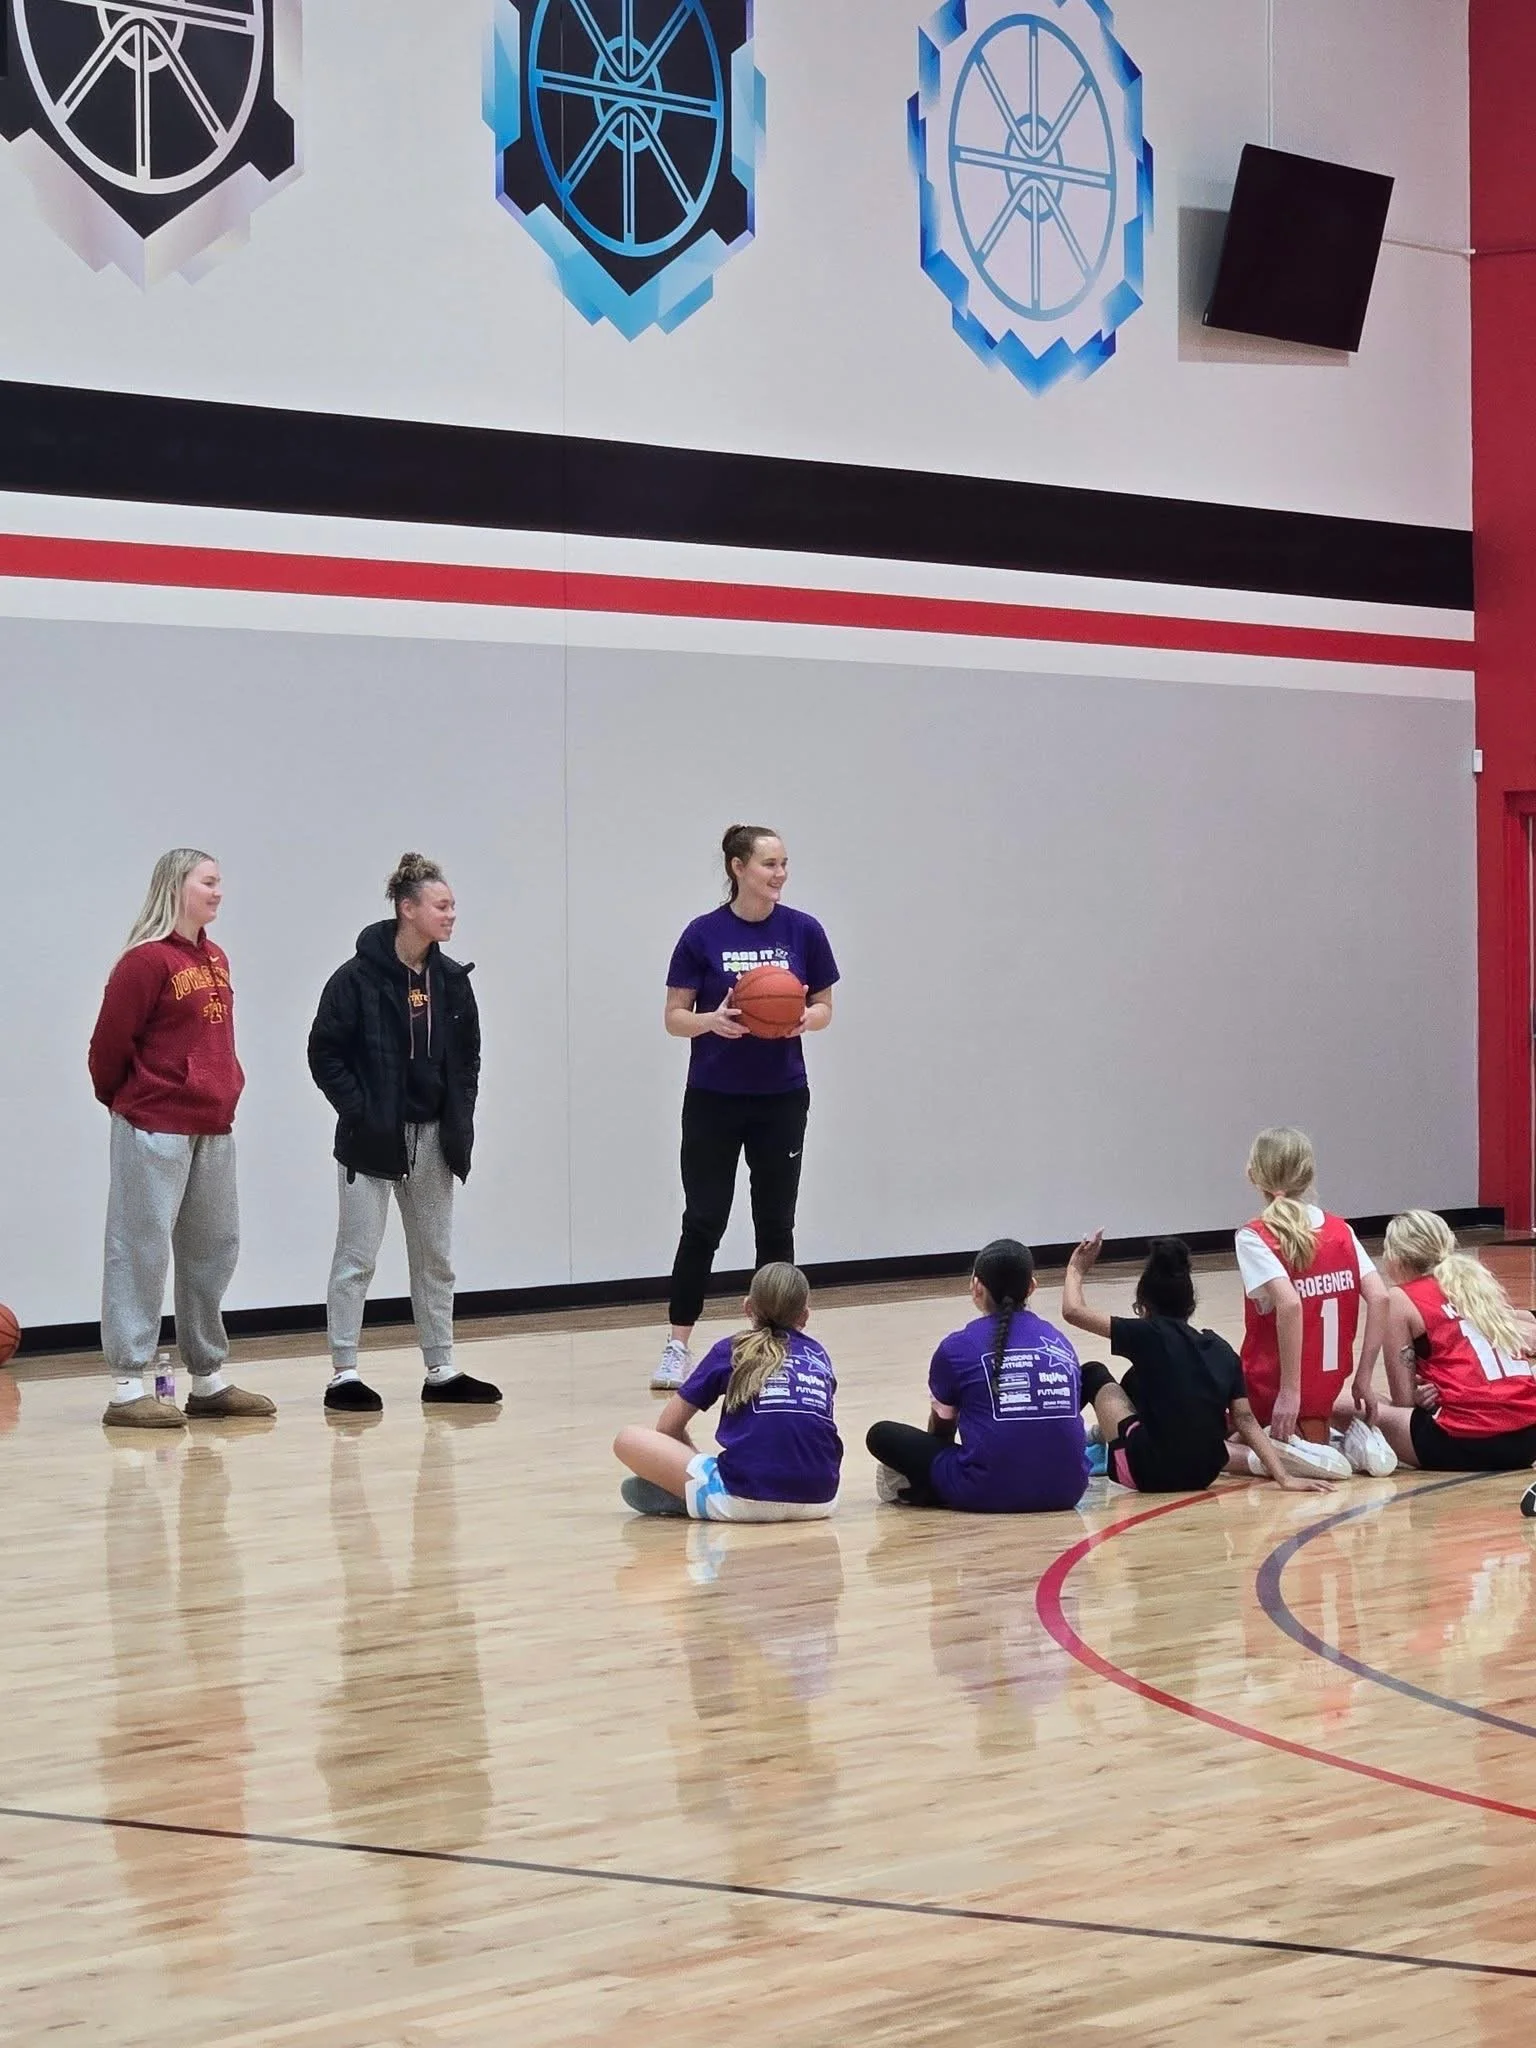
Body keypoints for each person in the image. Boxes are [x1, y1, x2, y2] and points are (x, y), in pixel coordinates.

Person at [307, 853, 499, 1415]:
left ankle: (440, 1367)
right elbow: (324, 1052)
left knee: (435, 1257)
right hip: (373, 1140)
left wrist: (459, 1114)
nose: (451, 915)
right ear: (407, 909)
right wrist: (362, 1111)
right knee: (357, 1259)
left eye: (453, 905)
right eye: (441, 905)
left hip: (435, 1137)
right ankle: (344, 1373)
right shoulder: (356, 978)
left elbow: (468, 1059)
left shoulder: (452, 980)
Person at [89, 848, 274, 1429]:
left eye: (220, 882)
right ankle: (127, 1385)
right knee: (139, 1249)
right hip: (153, 1125)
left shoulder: (215, 957)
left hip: (213, 1126)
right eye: (209, 882)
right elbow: (107, 1050)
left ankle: (208, 1377)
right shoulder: (143, 963)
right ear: (178, 886)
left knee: (213, 1249)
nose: (219, 892)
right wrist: (134, 1103)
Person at [653, 825, 839, 1392]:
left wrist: (805, 1017)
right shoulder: (703, 934)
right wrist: (714, 1020)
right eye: (768, 864)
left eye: (784, 864)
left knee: (775, 1221)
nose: (779, 874)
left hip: (782, 1096)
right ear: (738, 867)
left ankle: (777, 1343)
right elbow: (673, 1017)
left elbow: (825, 1004)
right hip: (713, 1097)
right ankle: (676, 1345)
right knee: (703, 1218)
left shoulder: (803, 930)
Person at [1061, 1233, 1332, 1494]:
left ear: (1144, 1305)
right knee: (1136, 1378)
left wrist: (1076, 1268)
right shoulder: (1222, 1350)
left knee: (1094, 1372)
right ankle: (1097, 1439)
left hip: (1146, 1473)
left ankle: (1061, 1449)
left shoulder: (1147, 1334)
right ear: (1190, 1305)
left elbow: (1073, 1311)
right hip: (1204, 1473)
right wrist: (1283, 1477)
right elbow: (1245, 1419)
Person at [866, 1238, 1089, 1513]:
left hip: (986, 1492)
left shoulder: (956, 1347)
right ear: (1031, 1286)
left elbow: (943, 1430)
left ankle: (924, 1488)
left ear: (976, 1287)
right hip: (1069, 1490)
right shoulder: (1060, 1342)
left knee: (882, 1436)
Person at [614, 1263, 841, 1520]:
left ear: (747, 1307)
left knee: (627, 1438)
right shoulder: (819, 1354)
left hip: (743, 1497)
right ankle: (692, 1496)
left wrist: (694, 1465)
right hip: (822, 1499)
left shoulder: (730, 1349)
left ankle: (695, 1494)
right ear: (804, 1316)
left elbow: (668, 1426)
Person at [1231, 1126, 1393, 1479]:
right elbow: (1380, 1297)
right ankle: (1331, 1441)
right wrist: (1364, 1377)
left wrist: (1289, 1391)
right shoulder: (1341, 1230)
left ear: (1253, 1174)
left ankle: (1273, 1457)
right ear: (1308, 1174)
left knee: (1187, 1429)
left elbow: (1289, 1304)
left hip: (1270, 1393)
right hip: (1325, 1389)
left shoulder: (1255, 1236)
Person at [1371, 1210, 1536, 1471]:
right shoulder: (1476, 1286)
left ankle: (1345, 1446)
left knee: (1352, 1405)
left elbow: (1403, 1401)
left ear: (1396, 1258)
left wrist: (1418, 1398)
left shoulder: (1401, 1298)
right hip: (1528, 1439)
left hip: (1464, 1440)